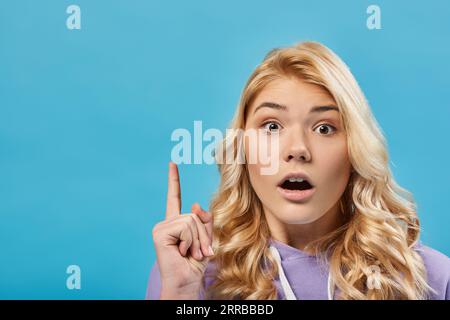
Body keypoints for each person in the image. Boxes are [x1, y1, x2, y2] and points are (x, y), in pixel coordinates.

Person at [147, 41, 449, 300]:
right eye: (272, 126)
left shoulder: (427, 277)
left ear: (354, 150)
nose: (298, 149)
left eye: (324, 128)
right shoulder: (192, 271)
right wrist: (180, 294)